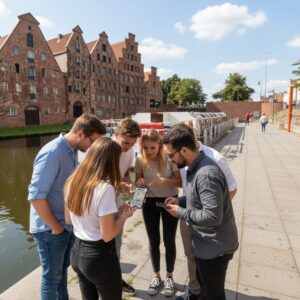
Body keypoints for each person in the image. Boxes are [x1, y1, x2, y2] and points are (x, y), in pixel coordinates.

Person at [28, 113, 106, 300]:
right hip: (50, 229)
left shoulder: (71, 151)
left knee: (62, 272)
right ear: (80, 134)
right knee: (51, 278)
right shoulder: (53, 153)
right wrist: (56, 228)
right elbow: (36, 197)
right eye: (92, 141)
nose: (93, 147)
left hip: (65, 224)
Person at [163, 127, 239, 300]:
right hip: (205, 245)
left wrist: (180, 212)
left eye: (171, 155)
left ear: (184, 150)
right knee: (205, 290)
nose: (171, 161)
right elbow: (197, 198)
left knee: (213, 294)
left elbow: (212, 216)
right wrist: (180, 201)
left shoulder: (206, 174)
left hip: (214, 249)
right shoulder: (194, 166)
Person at [64, 138, 136, 300]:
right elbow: (107, 234)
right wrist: (124, 216)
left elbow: (69, 219)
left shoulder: (72, 181)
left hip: (77, 253)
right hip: (99, 256)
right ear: (111, 160)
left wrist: (114, 210)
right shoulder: (105, 188)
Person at [135, 129, 182, 297]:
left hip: (170, 201)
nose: (149, 151)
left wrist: (166, 181)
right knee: (153, 240)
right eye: (145, 148)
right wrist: (139, 183)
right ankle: (156, 276)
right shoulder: (140, 160)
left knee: (169, 241)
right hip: (150, 203)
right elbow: (138, 184)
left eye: (152, 148)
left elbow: (181, 182)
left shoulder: (169, 158)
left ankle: (169, 276)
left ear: (159, 146)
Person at [114, 117, 141, 297]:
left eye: (131, 145)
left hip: (116, 204)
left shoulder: (129, 152)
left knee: (117, 245)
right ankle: (108, 282)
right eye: (125, 142)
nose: (127, 147)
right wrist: (119, 184)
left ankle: (116, 280)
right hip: (101, 207)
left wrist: (128, 184)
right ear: (116, 135)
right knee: (103, 246)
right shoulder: (104, 150)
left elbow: (124, 175)